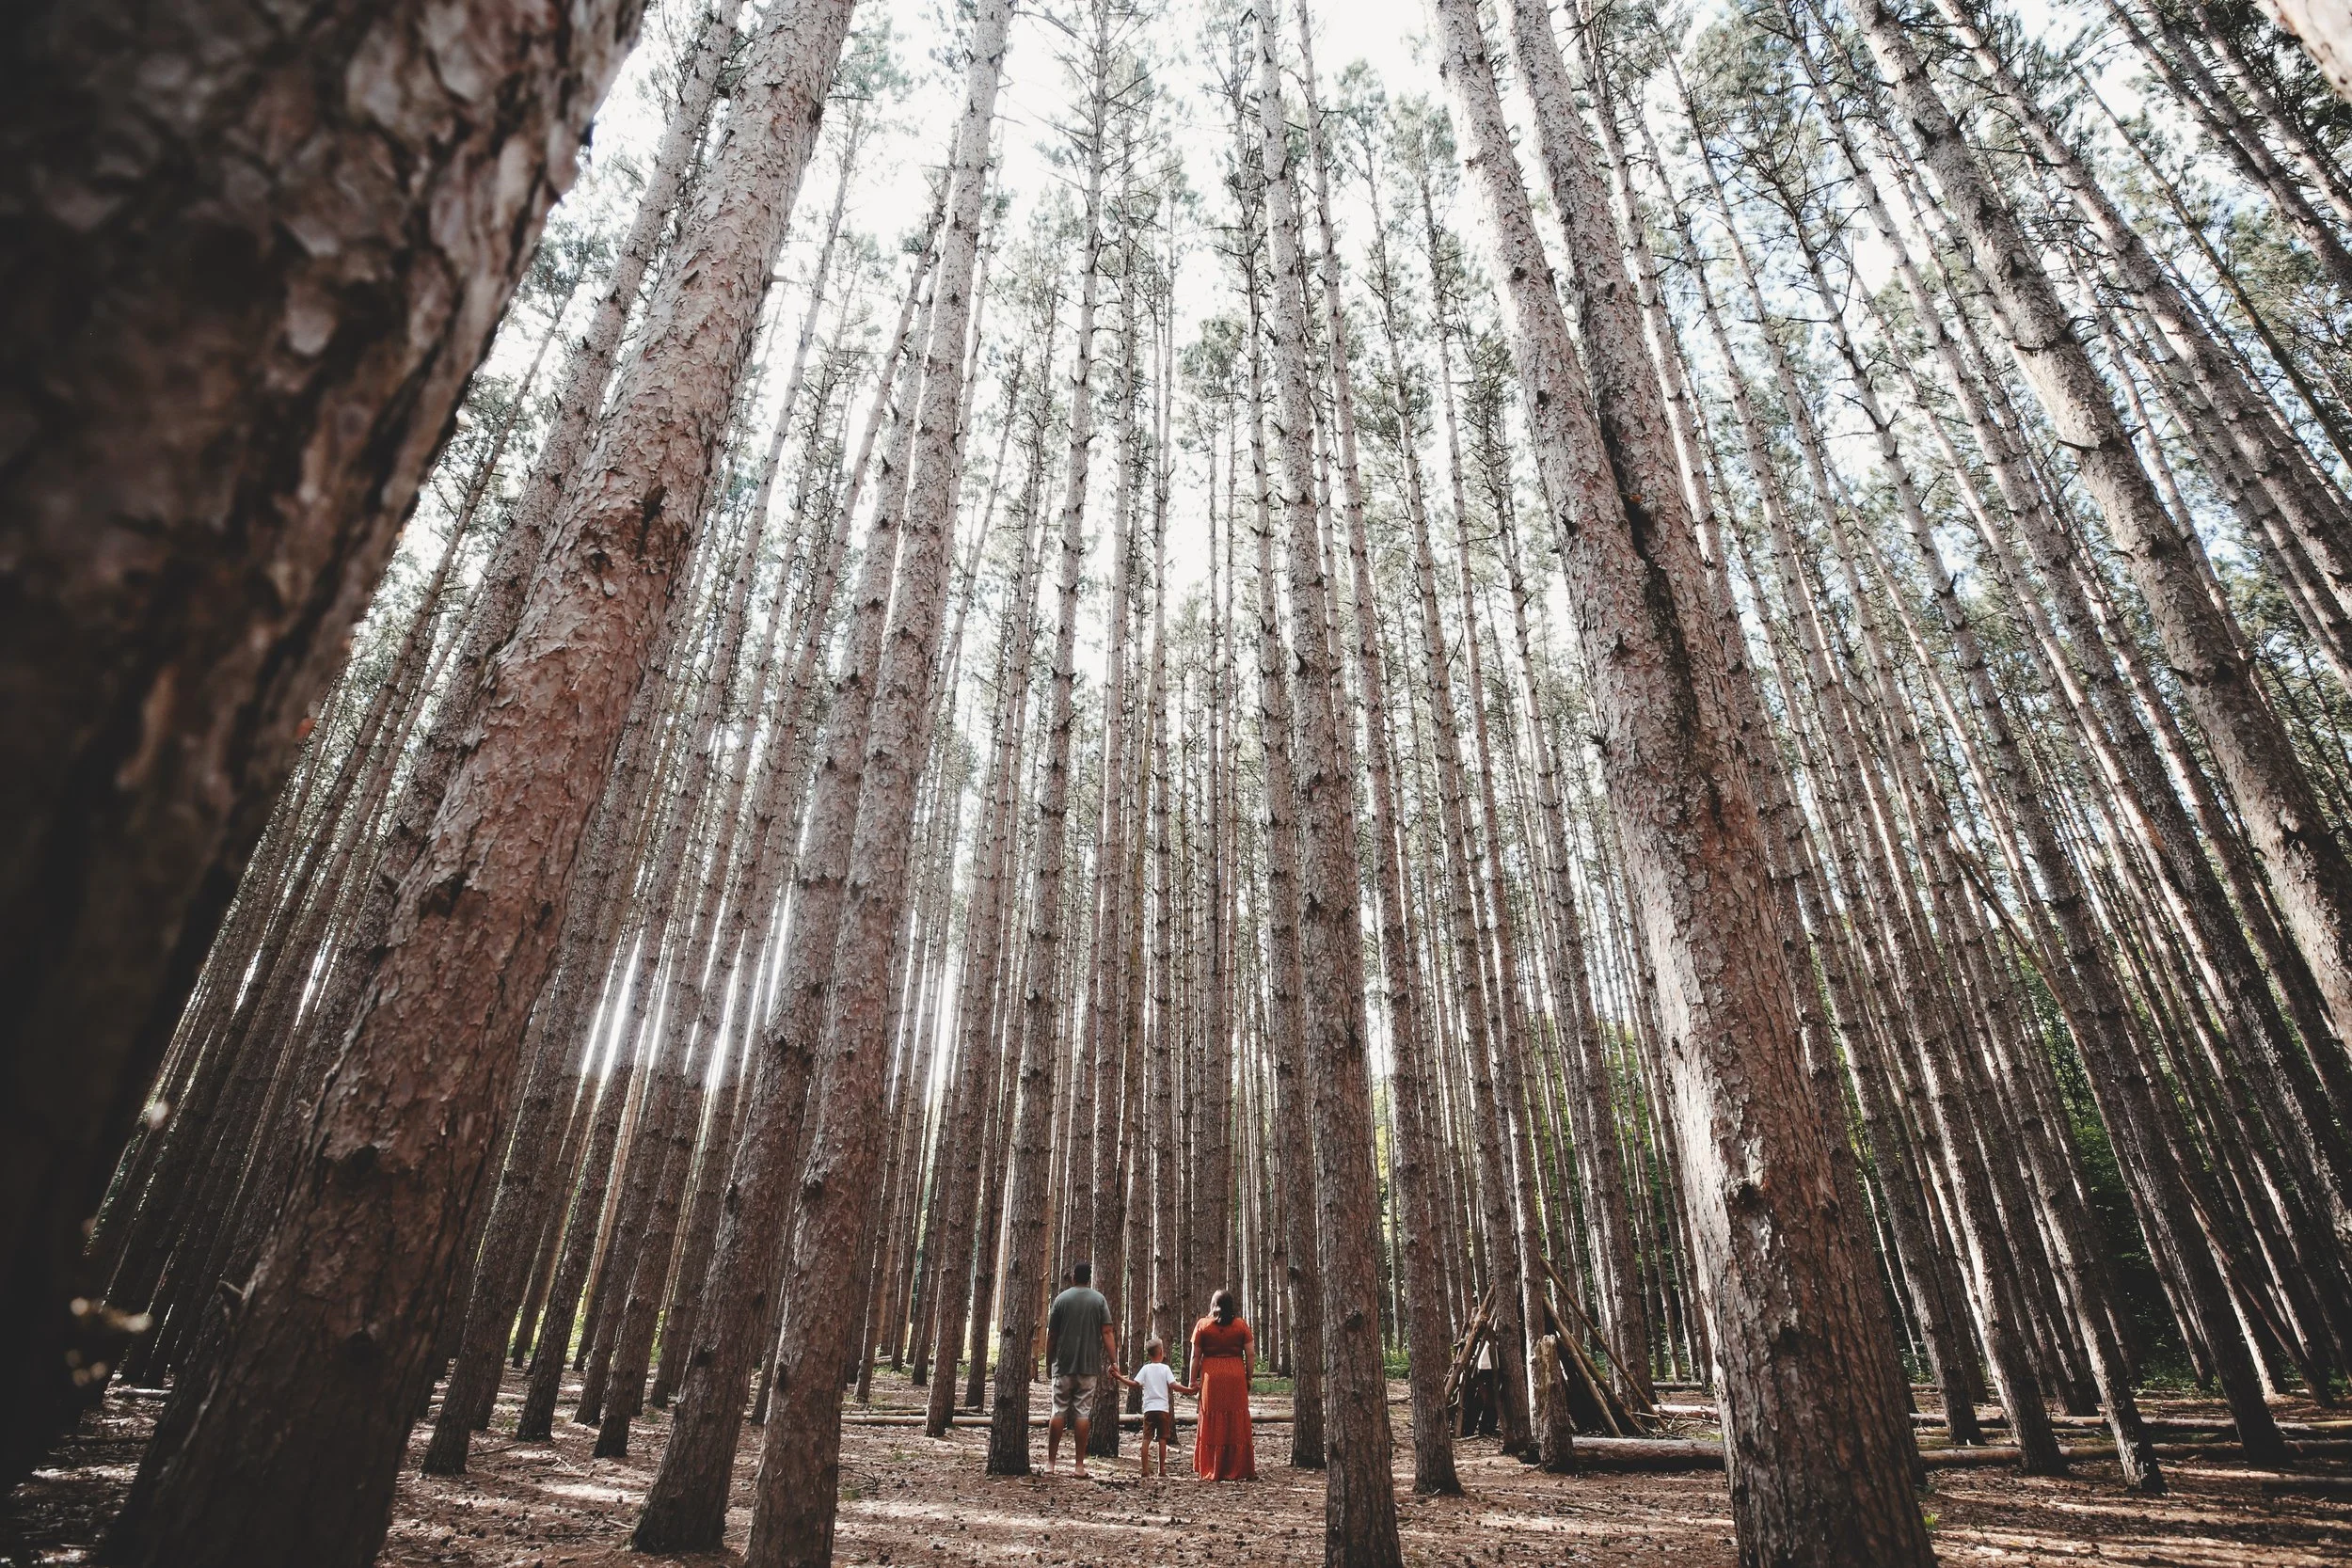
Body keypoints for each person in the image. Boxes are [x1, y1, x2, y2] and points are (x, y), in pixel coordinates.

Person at [1044, 1259, 1116, 1477]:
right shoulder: (1099, 1300)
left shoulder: (1061, 1299)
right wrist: (1114, 1361)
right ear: (1089, 1278)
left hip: (1063, 1364)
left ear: (1074, 1276)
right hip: (1088, 1365)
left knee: (1058, 1411)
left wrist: (1048, 1362)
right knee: (1082, 1414)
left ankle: (1050, 1464)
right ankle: (1079, 1466)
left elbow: (1052, 1335)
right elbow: (1107, 1332)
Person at [1186, 1289, 1256, 1481]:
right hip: (1235, 1376)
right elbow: (1250, 1354)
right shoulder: (1241, 1325)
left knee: (1212, 1419)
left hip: (1211, 1378)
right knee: (1236, 1419)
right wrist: (1249, 1377)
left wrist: (1192, 1380)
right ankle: (1236, 1466)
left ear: (1213, 1304)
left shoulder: (1203, 1325)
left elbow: (1195, 1356)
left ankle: (1212, 1465)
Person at [1112, 1338, 1191, 1479]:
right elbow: (1174, 1385)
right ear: (1161, 1352)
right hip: (1162, 1410)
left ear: (1148, 1355)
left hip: (1149, 1409)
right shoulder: (1165, 1369)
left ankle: (1145, 1470)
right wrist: (1189, 1390)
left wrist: (1119, 1377)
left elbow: (1134, 1384)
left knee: (1146, 1438)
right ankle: (1162, 1469)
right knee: (1162, 1439)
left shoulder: (1146, 1369)